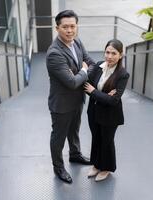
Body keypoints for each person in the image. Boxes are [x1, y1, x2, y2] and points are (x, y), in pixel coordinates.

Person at [46, 10, 95, 184]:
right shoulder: (54, 54)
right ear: (57, 28)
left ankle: (75, 155)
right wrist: (83, 71)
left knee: (74, 130)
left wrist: (81, 72)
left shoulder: (77, 42)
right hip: (61, 103)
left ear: (76, 26)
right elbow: (72, 82)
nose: (69, 30)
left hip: (77, 99)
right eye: (65, 27)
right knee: (58, 137)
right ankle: (58, 167)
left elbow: (91, 63)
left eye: (72, 26)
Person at [84, 39, 129, 182]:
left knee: (107, 141)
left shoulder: (122, 74)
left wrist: (96, 92)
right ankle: (97, 165)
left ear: (120, 55)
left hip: (110, 115)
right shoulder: (98, 66)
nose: (109, 56)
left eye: (113, 53)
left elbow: (113, 100)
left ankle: (106, 168)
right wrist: (103, 95)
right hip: (94, 111)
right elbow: (87, 86)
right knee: (96, 138)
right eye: (107, 52)